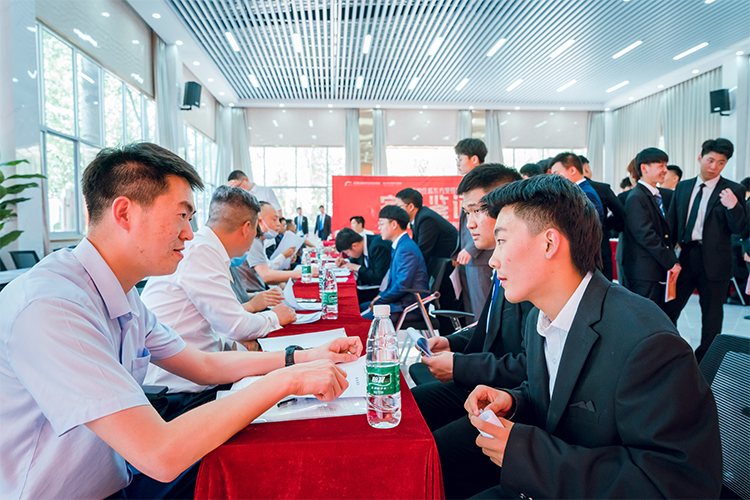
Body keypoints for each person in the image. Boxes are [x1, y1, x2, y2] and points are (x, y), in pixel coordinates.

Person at [0, 142, 361, 499]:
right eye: (182, 216)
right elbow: (160, 454)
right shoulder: (53, 307)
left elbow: (203, 364)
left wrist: (303, 357)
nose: (189, 233)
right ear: (124, 213)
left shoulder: (121, 292)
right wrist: (288, 380)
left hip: (119, 474)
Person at [462, 174, 721, 499]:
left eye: (501, 241)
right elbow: (557, 397)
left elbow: (677, 483)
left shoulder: (647, 343)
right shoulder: (540, 317)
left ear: (549, 243)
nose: (493, 259)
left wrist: (530, 454)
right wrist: (515, 402)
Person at [140, 186, 298, 417]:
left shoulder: (206, 248)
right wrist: (275, 317)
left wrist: (239, 345)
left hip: (195, 376)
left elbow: (212, 325)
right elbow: (235, 325)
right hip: (180, 393)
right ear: (247, 228)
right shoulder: (201, 251)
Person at [665, 138, 748, 361]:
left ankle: (706, 362)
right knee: (670, 309)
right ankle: (670, 353)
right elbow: (672, 224)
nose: (714, 166)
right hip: (686, 256)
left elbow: (741, 229)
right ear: (700, 157)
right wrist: (669, 257)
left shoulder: (734, 190)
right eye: (710, 160)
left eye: (721, 163)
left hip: (716, 260)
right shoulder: (683, 187)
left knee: (712, 316)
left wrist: (734, 207)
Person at [621, 147, 680, 307]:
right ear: (644, 168)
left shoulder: (657, 195)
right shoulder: (636, 197)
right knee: (644, 315)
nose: (665, 170)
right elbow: (645, 235)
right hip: (644, 272)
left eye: (665, 165)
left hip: (655, 269)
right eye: (660, 166)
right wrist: (671, 262)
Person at [361, 205, 428, 321]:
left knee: (362, 320)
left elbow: (402, 286)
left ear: (394, 224)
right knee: (360, 308)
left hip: (409, 306)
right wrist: (380, 297)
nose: (379, 228)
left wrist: (380, 301)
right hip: (400, 301)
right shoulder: (400, 245)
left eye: (382, 224)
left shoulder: (406, 249)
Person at [453, 138, 492, 320]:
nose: (458, 163)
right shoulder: (470, 183)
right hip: (468, 257)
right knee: (471, 310)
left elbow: (489, 220)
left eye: (460, 159)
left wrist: (470, 248)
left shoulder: (487, 183)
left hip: (481, 256)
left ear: (474, 159)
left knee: (481, 311)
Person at [236, 201, 307, 291]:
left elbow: (268, 268)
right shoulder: (253, 241)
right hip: (253, 293)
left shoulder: (260, 241)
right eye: (274, 219)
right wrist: (304, 272)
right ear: (260, 221)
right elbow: (266, 276)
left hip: (261, 290)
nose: (278, 224)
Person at [580, 160, 625, 281]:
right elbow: (621, 214)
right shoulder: (602, 188)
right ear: (586, 167)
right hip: (601, 247)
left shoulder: (562, 190)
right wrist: (605, 228)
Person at [395, 188, 458, 270]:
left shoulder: (426, 219)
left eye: (399, 207)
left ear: (411, 207)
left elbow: (423, 250)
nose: (397, 211)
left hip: (450, 262)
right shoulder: (417, 218)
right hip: (438, 261)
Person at [550, 152, 605, 224]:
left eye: (556, 174)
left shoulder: (586, 194)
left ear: (573, 171)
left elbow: (587, 225)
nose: (554, 179)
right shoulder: (578, 191)